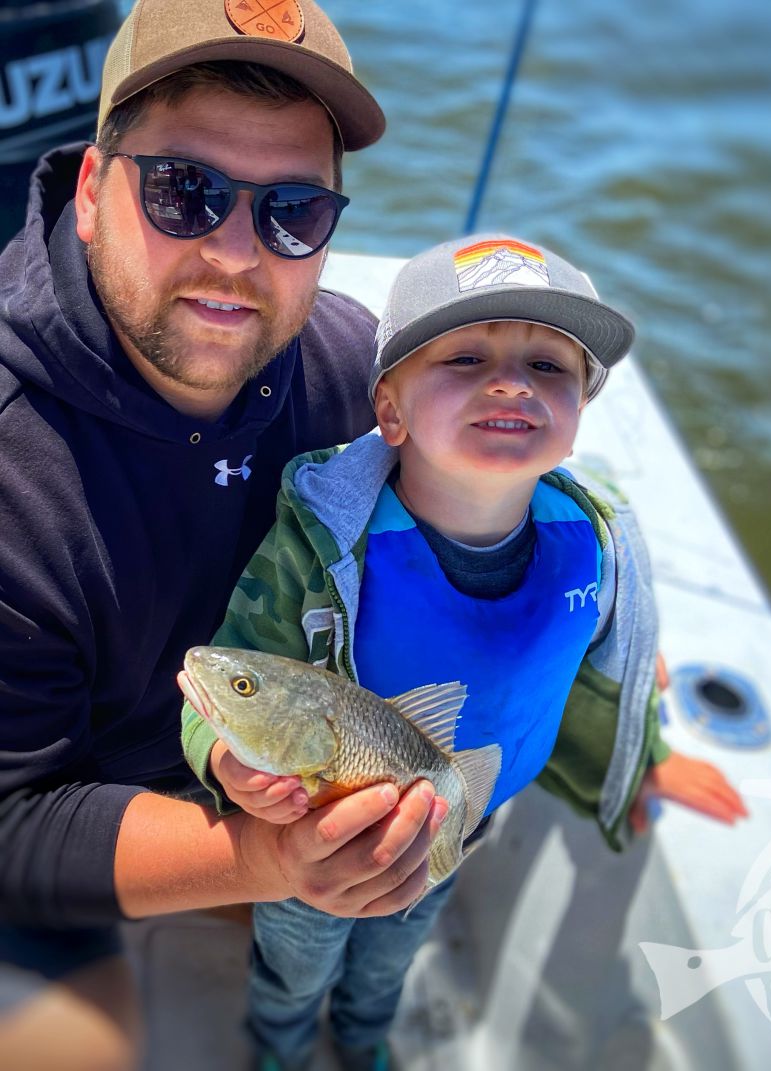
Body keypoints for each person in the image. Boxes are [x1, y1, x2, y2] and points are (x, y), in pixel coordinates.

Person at [0, 3, 448, 1070]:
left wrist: (608, 633)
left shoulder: (352, 371)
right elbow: (10, 823)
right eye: (184, 193)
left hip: (255, 764)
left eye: (293, 213)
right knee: (77, 1055)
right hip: (62, 811)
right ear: (96, 192)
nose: (237, 257)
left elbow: (505, 494)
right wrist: (262, 860)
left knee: (384, 902)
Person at [182, 234, 748, 1071]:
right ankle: (281, 1045)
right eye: (466, 356)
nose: (512, 381)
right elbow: (237, 673)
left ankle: (367, 1035)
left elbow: (610, 667)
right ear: (391, 410)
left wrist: (647, 757)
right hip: (315, 837)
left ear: (581, 407)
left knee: (390, 958)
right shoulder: (323, 544)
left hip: (459, 828)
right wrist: (224, 762)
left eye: (550, 366)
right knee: (294, 963)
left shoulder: (596, 541)